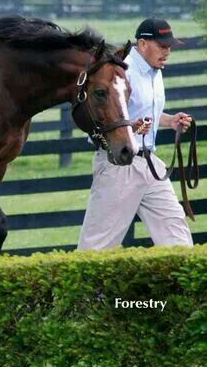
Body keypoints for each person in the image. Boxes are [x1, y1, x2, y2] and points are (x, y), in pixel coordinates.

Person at [78, 18, 193, 250]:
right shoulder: (120, 71)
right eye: (162, 46)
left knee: (176, 235)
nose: (167, 51)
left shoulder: (155, 71)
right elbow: (103, 118)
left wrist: (170, 120)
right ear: (142, 44)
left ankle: (183, 286)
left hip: (151, 165)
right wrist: (131, 127)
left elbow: (145, 112)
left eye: (169, 46)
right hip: (119, 167)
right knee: (96, 247)